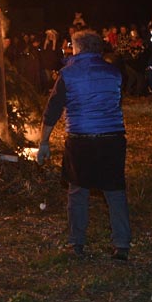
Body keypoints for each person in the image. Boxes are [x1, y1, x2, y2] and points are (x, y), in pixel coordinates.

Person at [36, 30, 131, 261]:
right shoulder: (114, 73)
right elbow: (116, 102)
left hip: (81, 139)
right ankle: (122, 244)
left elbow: (52, 111)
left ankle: (76, 243)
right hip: (112, 138)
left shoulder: (68, 74)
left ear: (79, 48)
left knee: (78, 192)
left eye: (72, 46)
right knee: (114, 191)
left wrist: (44, 142)